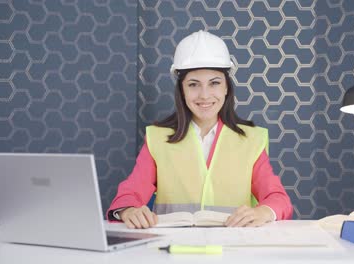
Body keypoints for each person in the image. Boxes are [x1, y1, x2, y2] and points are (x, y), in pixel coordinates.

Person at [107, 30, 293, 229]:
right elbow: (129, 193)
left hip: (233, 249)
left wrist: (263, 211)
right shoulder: (157, 138)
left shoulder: (251, 140)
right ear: (182, 90)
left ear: (226, 88)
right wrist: (128, 210)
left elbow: (278, 199)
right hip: (171, 250)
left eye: (214, 83)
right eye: (194, 84)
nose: (204, 95)